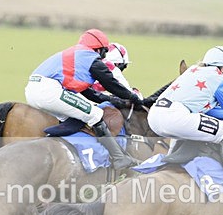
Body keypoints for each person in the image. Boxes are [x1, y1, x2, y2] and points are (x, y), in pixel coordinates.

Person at [147, 45, 223, 195]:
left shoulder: (193, 72)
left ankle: (171, 163)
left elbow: (212, 110)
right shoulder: (218, 79)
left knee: (188, 131)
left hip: (155, 116)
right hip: (176, 117)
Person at [25, 29, 143, 170]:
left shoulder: (77, 55)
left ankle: (50, 139)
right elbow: (111, 84)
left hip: (34, 90)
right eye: (104, 52)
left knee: (73, 117)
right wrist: (133, 97)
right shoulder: (91, 58)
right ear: (98, 49)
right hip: (49, 91)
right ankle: (119, 158)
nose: (104, 57)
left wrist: (110, 99)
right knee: (95, 114)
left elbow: (89, 93)